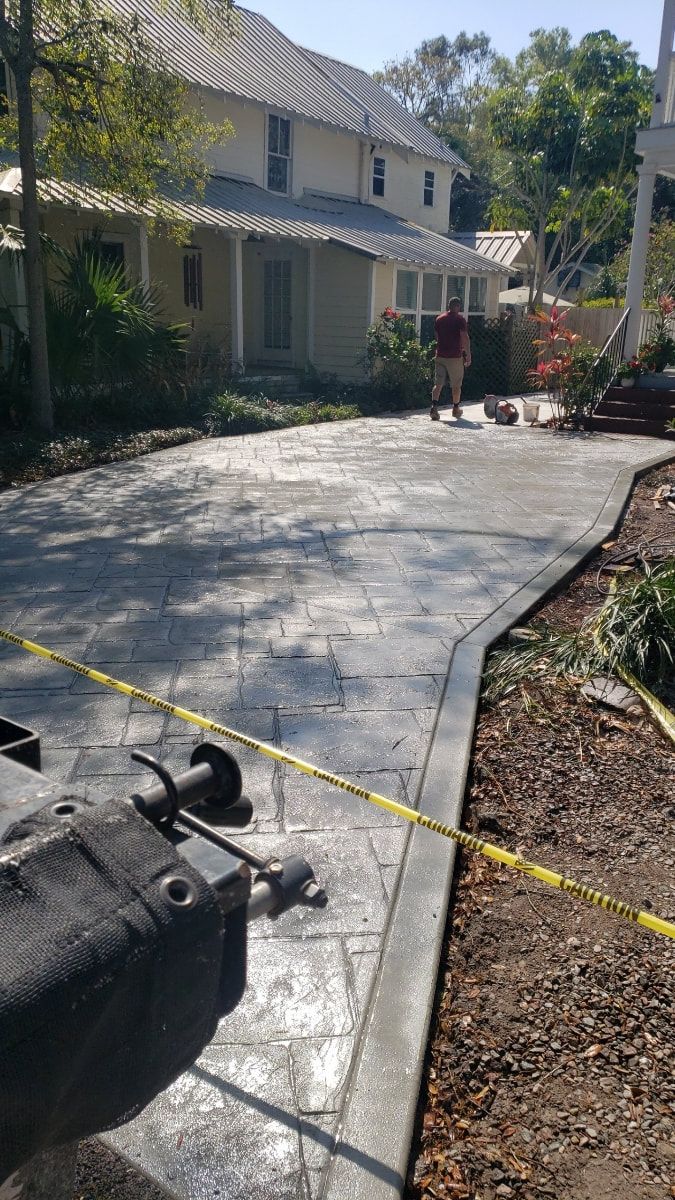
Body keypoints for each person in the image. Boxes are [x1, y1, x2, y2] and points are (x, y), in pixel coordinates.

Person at [430, 296, 471, 421]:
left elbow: (437, 336)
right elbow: (464, 337)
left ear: (449, 305)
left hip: (440, 355)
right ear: (458, 306)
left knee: (438, 383)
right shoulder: (460, 320)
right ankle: (456, 408)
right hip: (454, 357)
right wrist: (468, 354)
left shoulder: (439, 319)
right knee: (456, 384)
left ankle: (434, 407)